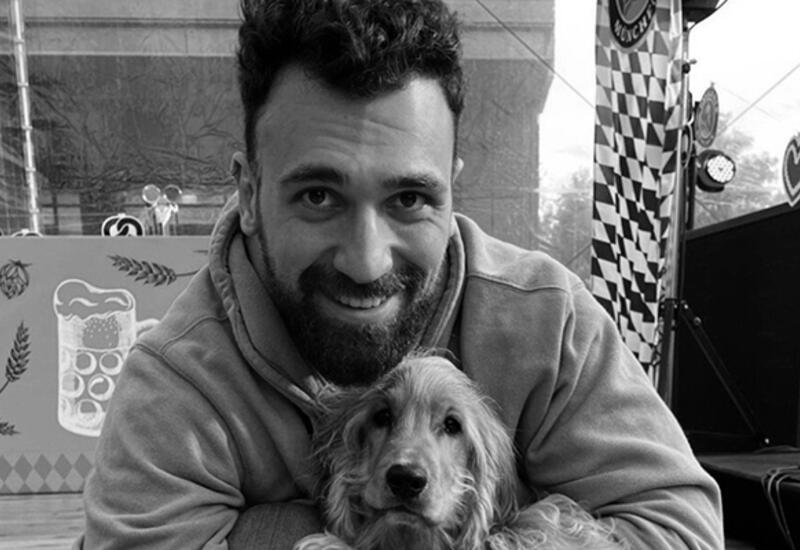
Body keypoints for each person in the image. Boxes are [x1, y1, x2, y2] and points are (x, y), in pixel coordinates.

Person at [77, 0, 724, 548]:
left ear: (452, 192)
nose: (366, 261)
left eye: (409, 198)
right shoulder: (177, 384)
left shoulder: (547, 321)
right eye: (318, 196)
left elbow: (679, 528)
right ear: (248, 195)